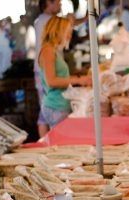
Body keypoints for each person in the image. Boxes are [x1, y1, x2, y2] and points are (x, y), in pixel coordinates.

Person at [34, 0, 87, 137]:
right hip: (55, 106)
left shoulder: (53, 50)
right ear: (58, 31)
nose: (69, 35)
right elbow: (52, 81)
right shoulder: (48, 51)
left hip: (59, 105)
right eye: (67, 32)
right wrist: (79, 80)